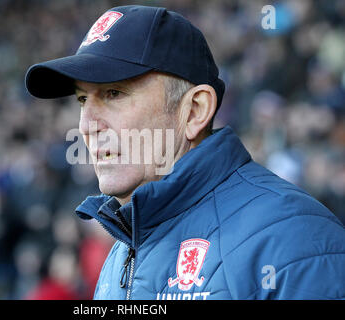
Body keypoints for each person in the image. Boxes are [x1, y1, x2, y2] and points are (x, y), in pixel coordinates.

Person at [25, 5, 345, 299]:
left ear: (193, 111)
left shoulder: (293, 241)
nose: (86, 125)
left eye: (113, 93)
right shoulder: (122, 252)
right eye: (82, 100)